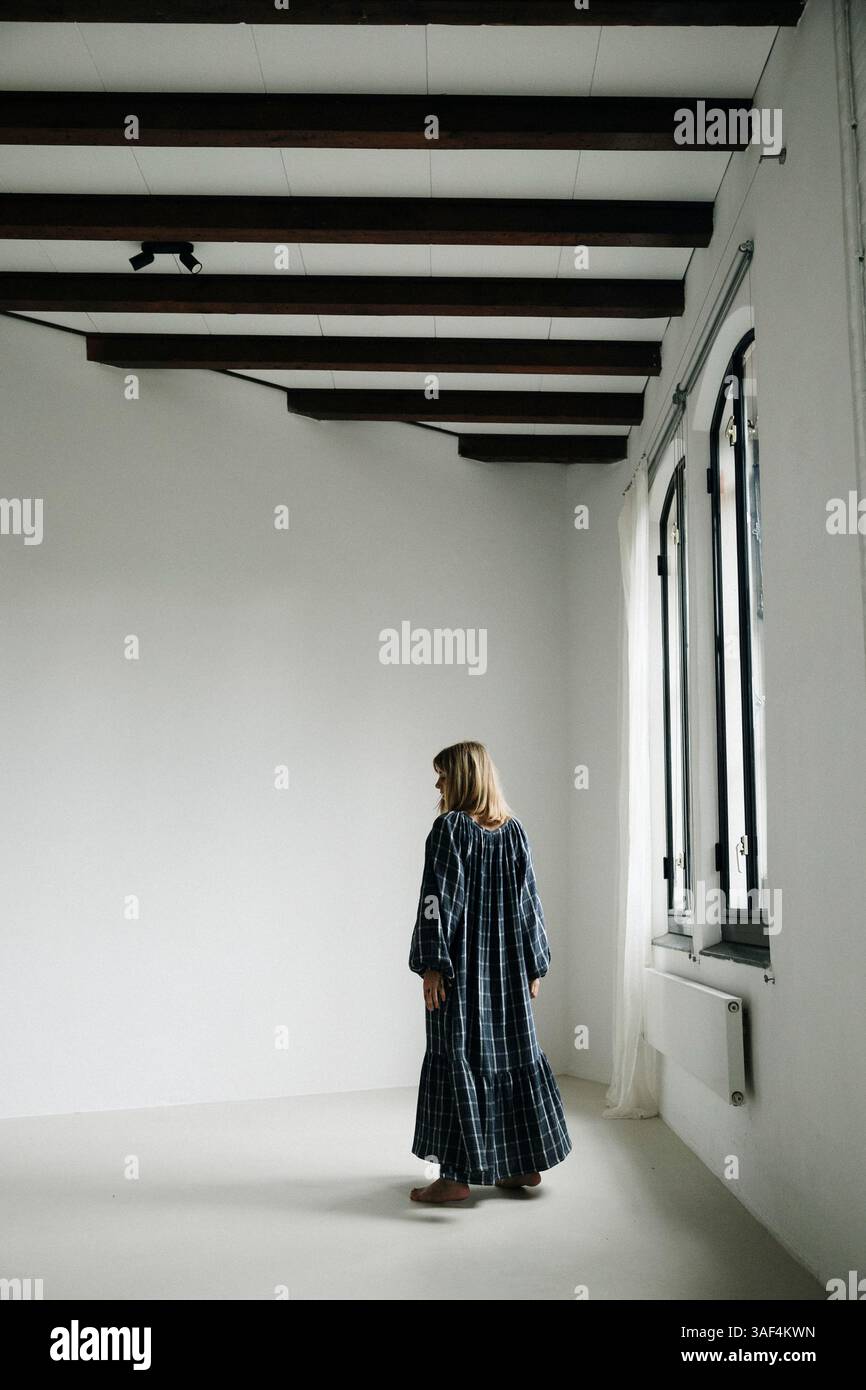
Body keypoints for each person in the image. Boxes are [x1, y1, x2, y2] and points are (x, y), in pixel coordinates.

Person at [408, 740, 572, 1204]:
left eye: (442, 774)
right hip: (506, 973)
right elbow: (529, 904)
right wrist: (534, 963)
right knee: (509, 1057)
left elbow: (438, 901)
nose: (437, 783)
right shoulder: (514, 832)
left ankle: (456, 1176)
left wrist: (433, 964)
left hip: (462, 972)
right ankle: (519, 1165)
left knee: (459, 1055)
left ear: (463, 777)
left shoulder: (450, 829)